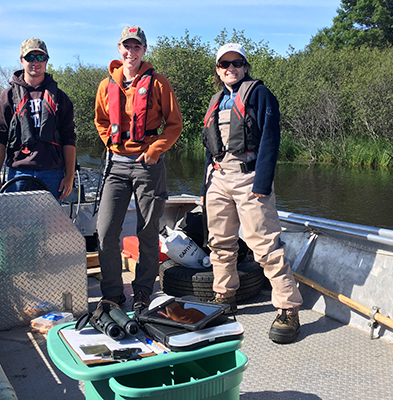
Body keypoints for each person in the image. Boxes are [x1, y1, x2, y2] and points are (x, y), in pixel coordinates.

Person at [201, 43, 303, 344]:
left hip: (249, 177)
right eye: (224, 64)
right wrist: (207, 183)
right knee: (219, 242)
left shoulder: (260, 94)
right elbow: (211, 145)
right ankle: (225, 295)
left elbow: (271, 140)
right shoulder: (216, 98)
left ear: (245, 66)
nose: (230, 69)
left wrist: (262, 184)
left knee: (265, 246)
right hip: (218, 177)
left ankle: (288, 308)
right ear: (218, 70)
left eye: (236, 63)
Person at [94, 26, 183, 311]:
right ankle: (112, 292)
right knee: (105, 231)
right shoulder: (106, 85)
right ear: (118, 49)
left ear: (144, 50)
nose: (131, 52)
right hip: (116, 167)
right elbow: (101, 122)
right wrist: (111, 142)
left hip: (148, 166)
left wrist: (154, 151)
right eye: (126, 46)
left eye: (136, 47)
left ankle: (143, 290)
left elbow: (174, 125)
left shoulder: (158, 83)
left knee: (147, 232)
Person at [0, 38, 76, 201]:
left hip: (53, 172)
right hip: (18, 171)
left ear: (46, 61)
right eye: (30, 57)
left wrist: (69, 176)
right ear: (22, 60)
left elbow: (69, 138)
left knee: (49, 225)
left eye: (40, 57)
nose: (36, 62)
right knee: (15, 224)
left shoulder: (60, 97)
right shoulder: (7, 97)